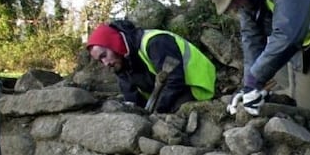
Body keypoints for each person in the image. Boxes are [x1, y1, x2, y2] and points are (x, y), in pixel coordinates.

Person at [86, 20, 217, 114]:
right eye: (100, 60)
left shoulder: (155, 43)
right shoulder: (121, 62)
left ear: (114, 44)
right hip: (171, 94)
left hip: (197, 87)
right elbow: (132, 98)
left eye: (104, 55)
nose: (105, 63)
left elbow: (175, 80)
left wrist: (157, 111)